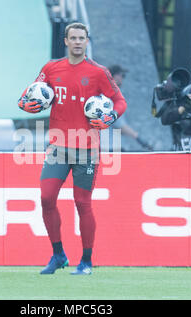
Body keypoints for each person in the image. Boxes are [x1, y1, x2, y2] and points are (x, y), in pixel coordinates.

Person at [18, 22, 127, 275]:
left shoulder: (99, 72)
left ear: (87, 41)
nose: (78, 42)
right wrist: (24, 103)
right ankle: (58, 255)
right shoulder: (51, 68)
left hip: (86, 149)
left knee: (82, 203)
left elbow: (119, 101)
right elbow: (31, 93)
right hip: (58, 146)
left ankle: (86, 261)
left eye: (82, 38)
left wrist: (111, 117)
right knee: (46, 198)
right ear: (66, 42)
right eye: (73, 38)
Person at [106, 65, 153, 151]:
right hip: (110, 148)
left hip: (109, 147)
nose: (123, 78)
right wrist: (139, 139)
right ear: (114, 76)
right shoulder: (110, 98)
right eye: (122, 75)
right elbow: (120, 125)